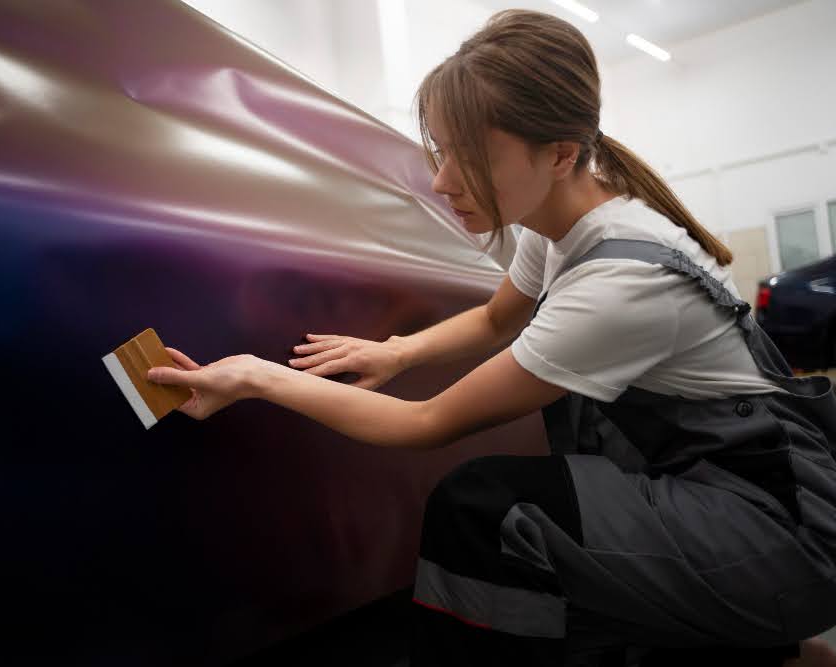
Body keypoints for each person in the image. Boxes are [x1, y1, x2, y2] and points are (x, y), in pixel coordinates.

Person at [146, 9, 836, 666]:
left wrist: (256, 376)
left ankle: (749, 628)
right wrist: (397, 350)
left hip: (782, 533)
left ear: (561, 153)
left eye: (470, 155)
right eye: (442, 151)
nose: (443, 181)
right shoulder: (567, 219)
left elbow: (427, 421)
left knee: (488, 511)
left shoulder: (619, 278)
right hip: (722, 492)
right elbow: (495, 318)